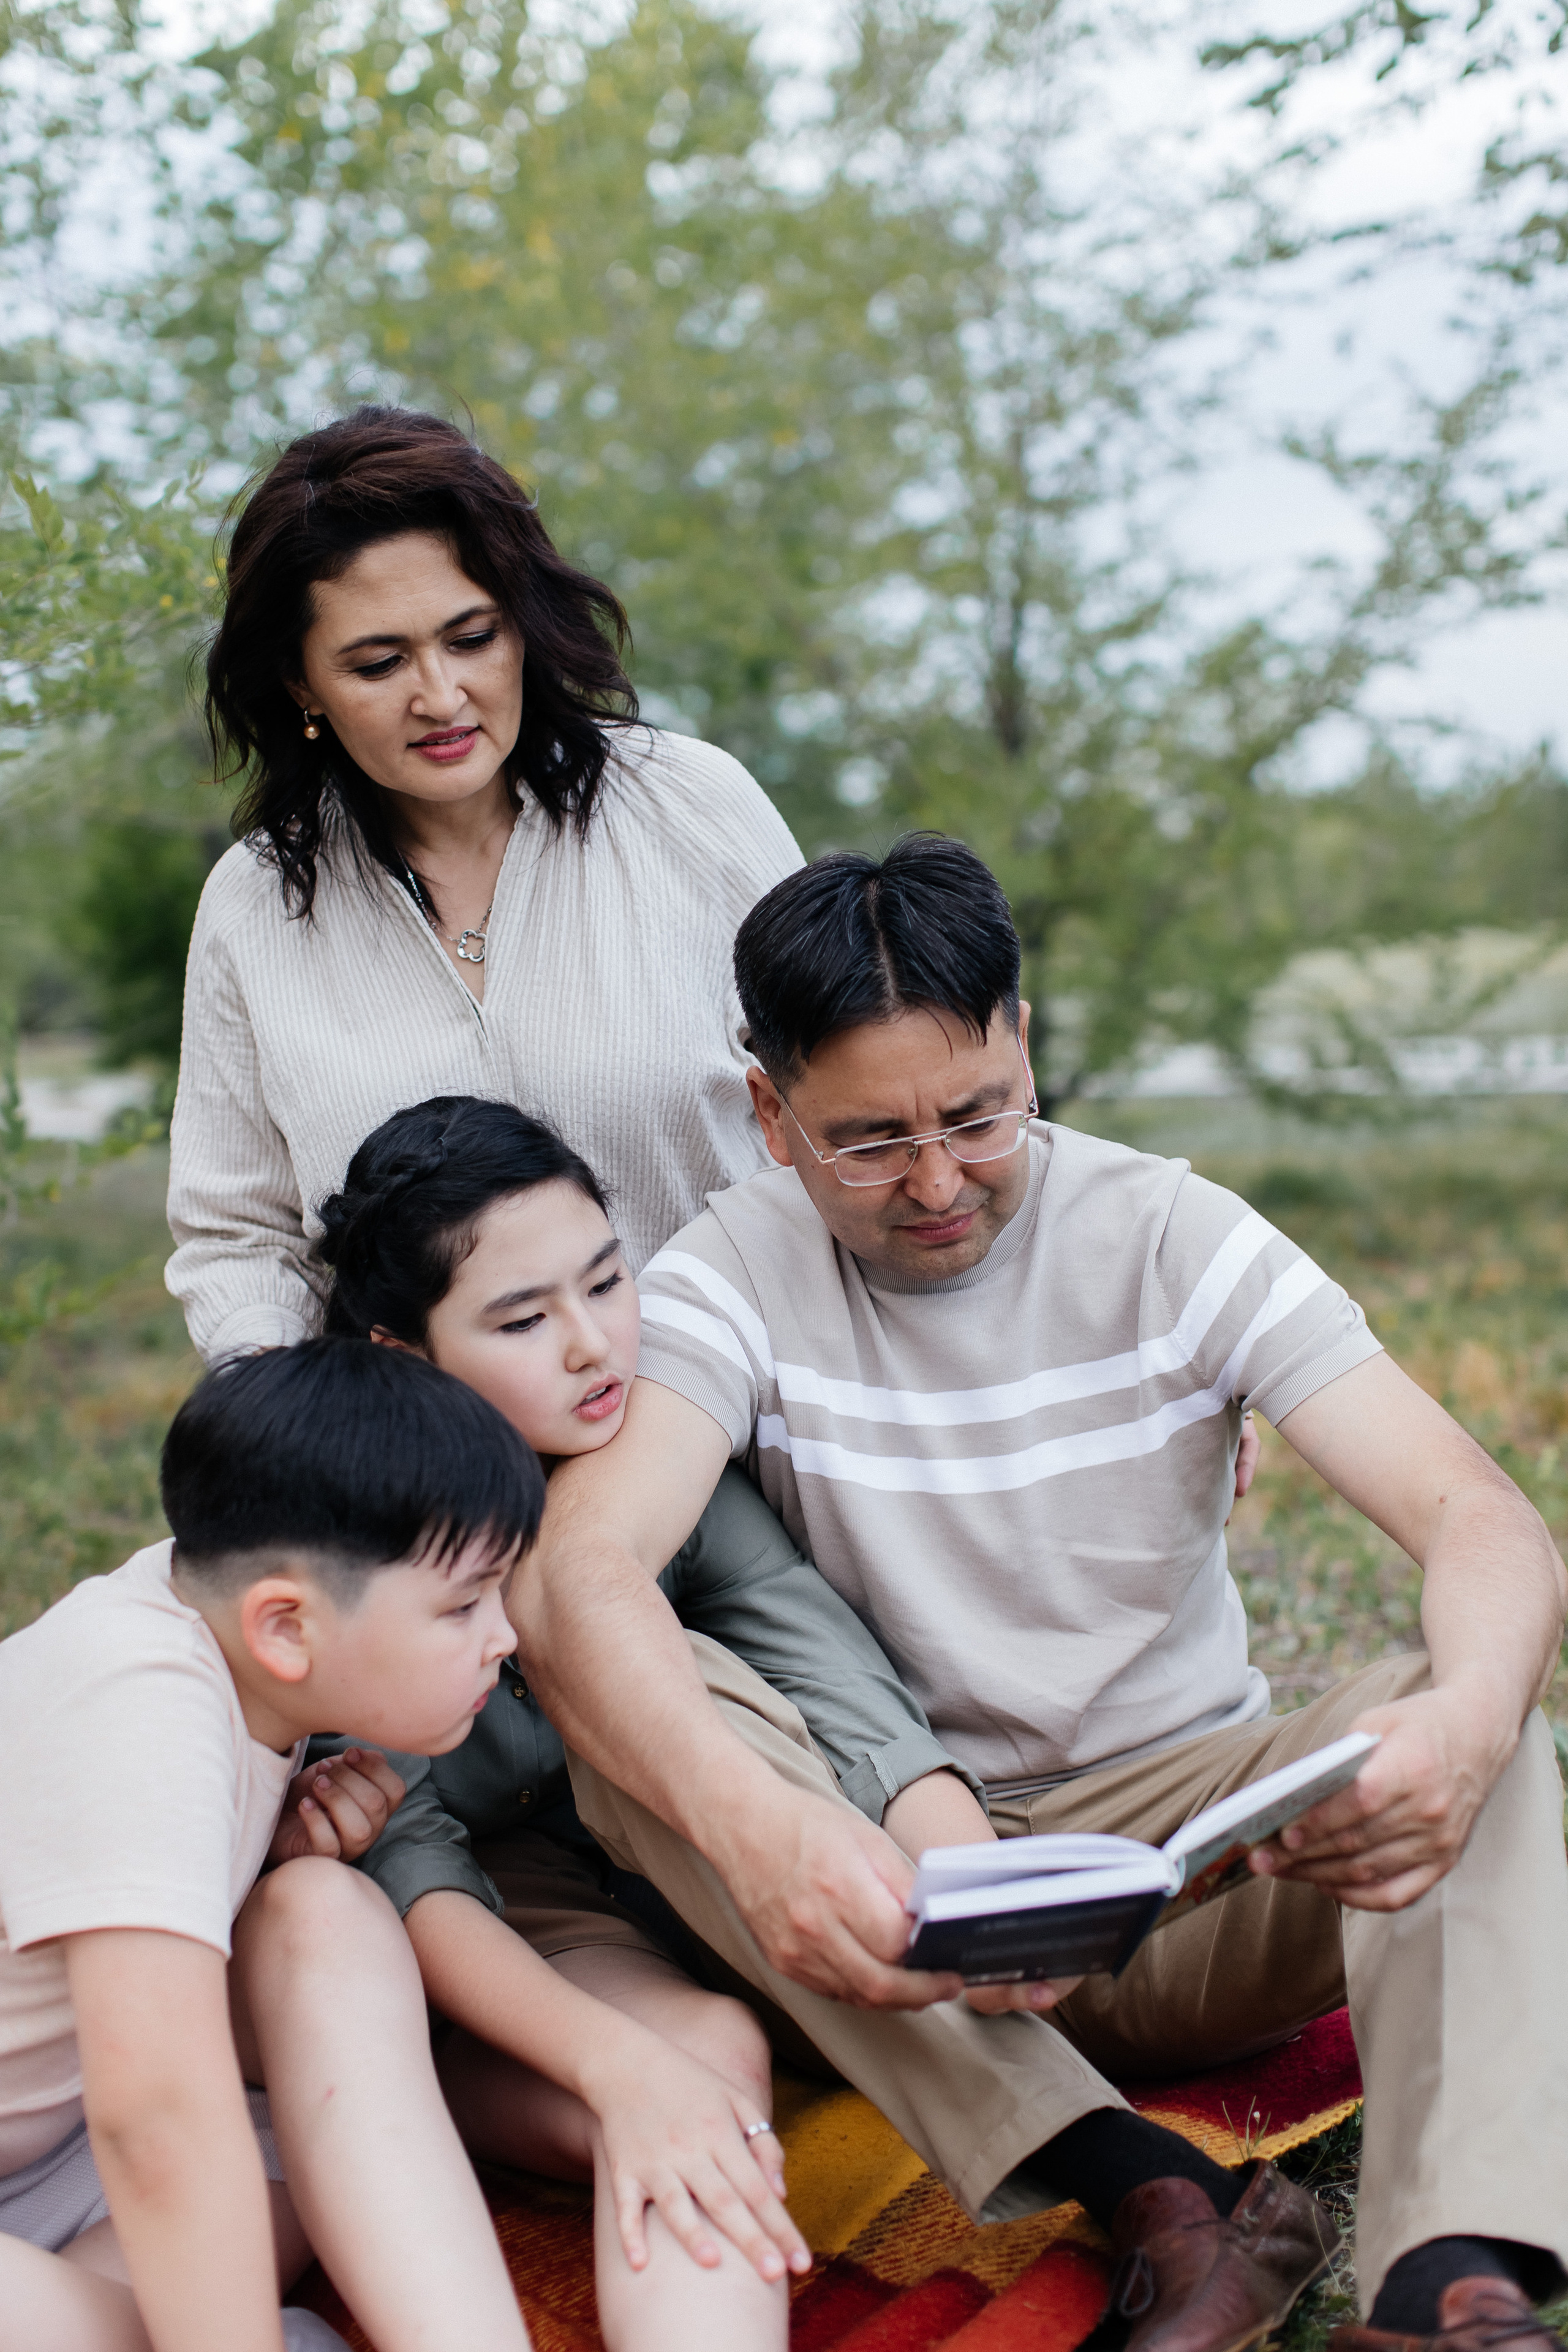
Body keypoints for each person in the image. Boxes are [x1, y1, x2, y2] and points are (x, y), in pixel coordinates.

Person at [507, 834, 1568, 2352]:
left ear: (1023, 1040)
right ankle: (1144, 2192)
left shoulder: (1169, 1232)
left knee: (1475, 1719)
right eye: (866, 1140)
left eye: (977, 1115)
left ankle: (1436, 2288)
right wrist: (762, 1837)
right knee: (646, 1714)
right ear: (768, 1115)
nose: (936, 1180)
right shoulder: (728, 1270)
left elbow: (1479, 1518)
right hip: (895, 1895)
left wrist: (1458, 1723)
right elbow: (578, 1578)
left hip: (1194, 1873)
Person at [306, 1093, 1014, 2349]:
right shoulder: (355, 1536)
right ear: (404, 1356)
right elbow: (418, 1875)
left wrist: (969, 1875)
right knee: (681, 2075)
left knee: (710, 2061)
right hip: (459, 1953)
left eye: (605, 1282)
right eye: (523, 1320)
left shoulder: (647, 1447)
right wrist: (610, 2064)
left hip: (635, 1891)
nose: (593, 1346)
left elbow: (808, 1643)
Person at [167, 404, 802, 1363]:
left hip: (718, 1408)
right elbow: (237, 1237)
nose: (441, 696)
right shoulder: (253, 903)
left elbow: (835, 1106)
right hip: (418, 1466)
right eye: (378, 662)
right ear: (301, 685)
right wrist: (284, 1413)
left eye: (471, 638)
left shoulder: (692, 806)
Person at [0, 1336, 544, 2352]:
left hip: (58, 2136)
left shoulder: (240, 1665)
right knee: (186, 2259)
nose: (503, 1634)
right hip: (97, 2124)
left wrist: (267, 1858)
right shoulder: (137, 1702)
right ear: (284, 1628)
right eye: (465, 1604)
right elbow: (155, 2112)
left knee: (323, 1915)